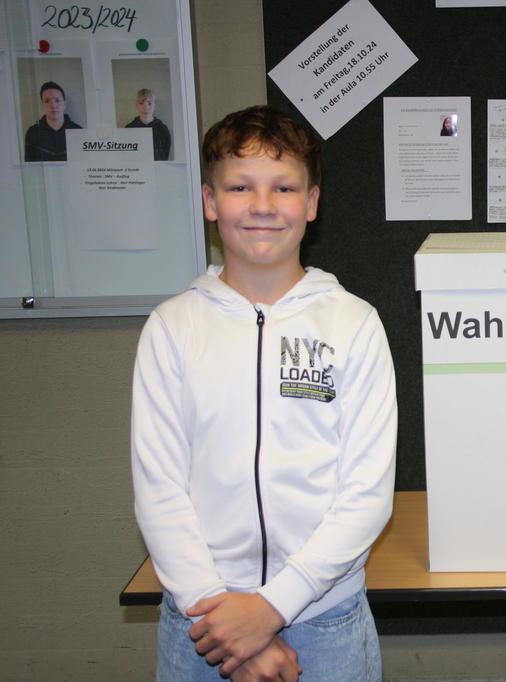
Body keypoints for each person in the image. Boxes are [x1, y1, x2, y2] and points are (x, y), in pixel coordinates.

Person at [132, 105, 397, 682]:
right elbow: (159, 490)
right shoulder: (172, 328)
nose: (262, 205)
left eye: (283, 187)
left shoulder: (354, 325)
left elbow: (367, 494)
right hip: (201, 621)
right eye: (239, 187)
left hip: (324, 619)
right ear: (210, 201)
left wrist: (272, 608)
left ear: (312, 202)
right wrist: (229, 626)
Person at [24, 81, 82, 162]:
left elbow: (83, 163)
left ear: (64, 104)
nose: (53, 105)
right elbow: (29, 165)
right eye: (47, 101)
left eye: (57, 100)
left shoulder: (77, 130)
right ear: (42, 105)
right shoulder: (33, 132)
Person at [125, 88, 172, 160]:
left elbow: (165, 154)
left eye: (149, 103)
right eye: (141, 103)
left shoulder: (163, 129)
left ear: (154, 106)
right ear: (136, 106)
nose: (146, 107)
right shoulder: (129, 129)